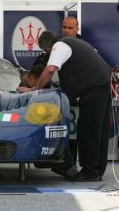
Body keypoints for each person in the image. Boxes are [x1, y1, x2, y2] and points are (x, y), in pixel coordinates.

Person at [18, 31, 111, 181]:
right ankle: (98, 170)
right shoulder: (72, 42)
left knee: (88, 130)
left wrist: (34, 89)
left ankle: (90, 172)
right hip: (104, 83)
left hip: (93, 88)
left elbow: (50, 69)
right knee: (100, 131)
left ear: (47, 49)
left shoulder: (60, 46)